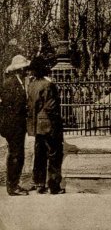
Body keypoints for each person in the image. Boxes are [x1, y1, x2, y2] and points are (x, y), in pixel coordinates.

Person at [27, 56, 65, 195]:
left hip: (37, 125)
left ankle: (39, 184)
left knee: (39, 154)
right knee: (54, 154)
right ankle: (54, 186)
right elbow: (51, 107)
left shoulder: (31, 85)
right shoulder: (48, 85)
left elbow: (31, 106)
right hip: (49, 124)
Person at [0, 54, 31, 196]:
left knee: (17, 154)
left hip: (17, 124)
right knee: (15, 155)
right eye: (24, 68)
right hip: (14, 125)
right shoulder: (11, 83)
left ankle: (14, 183)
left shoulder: (17, 82)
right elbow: (9, 107)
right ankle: (13, 186)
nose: (26, 70)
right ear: (19, 69)